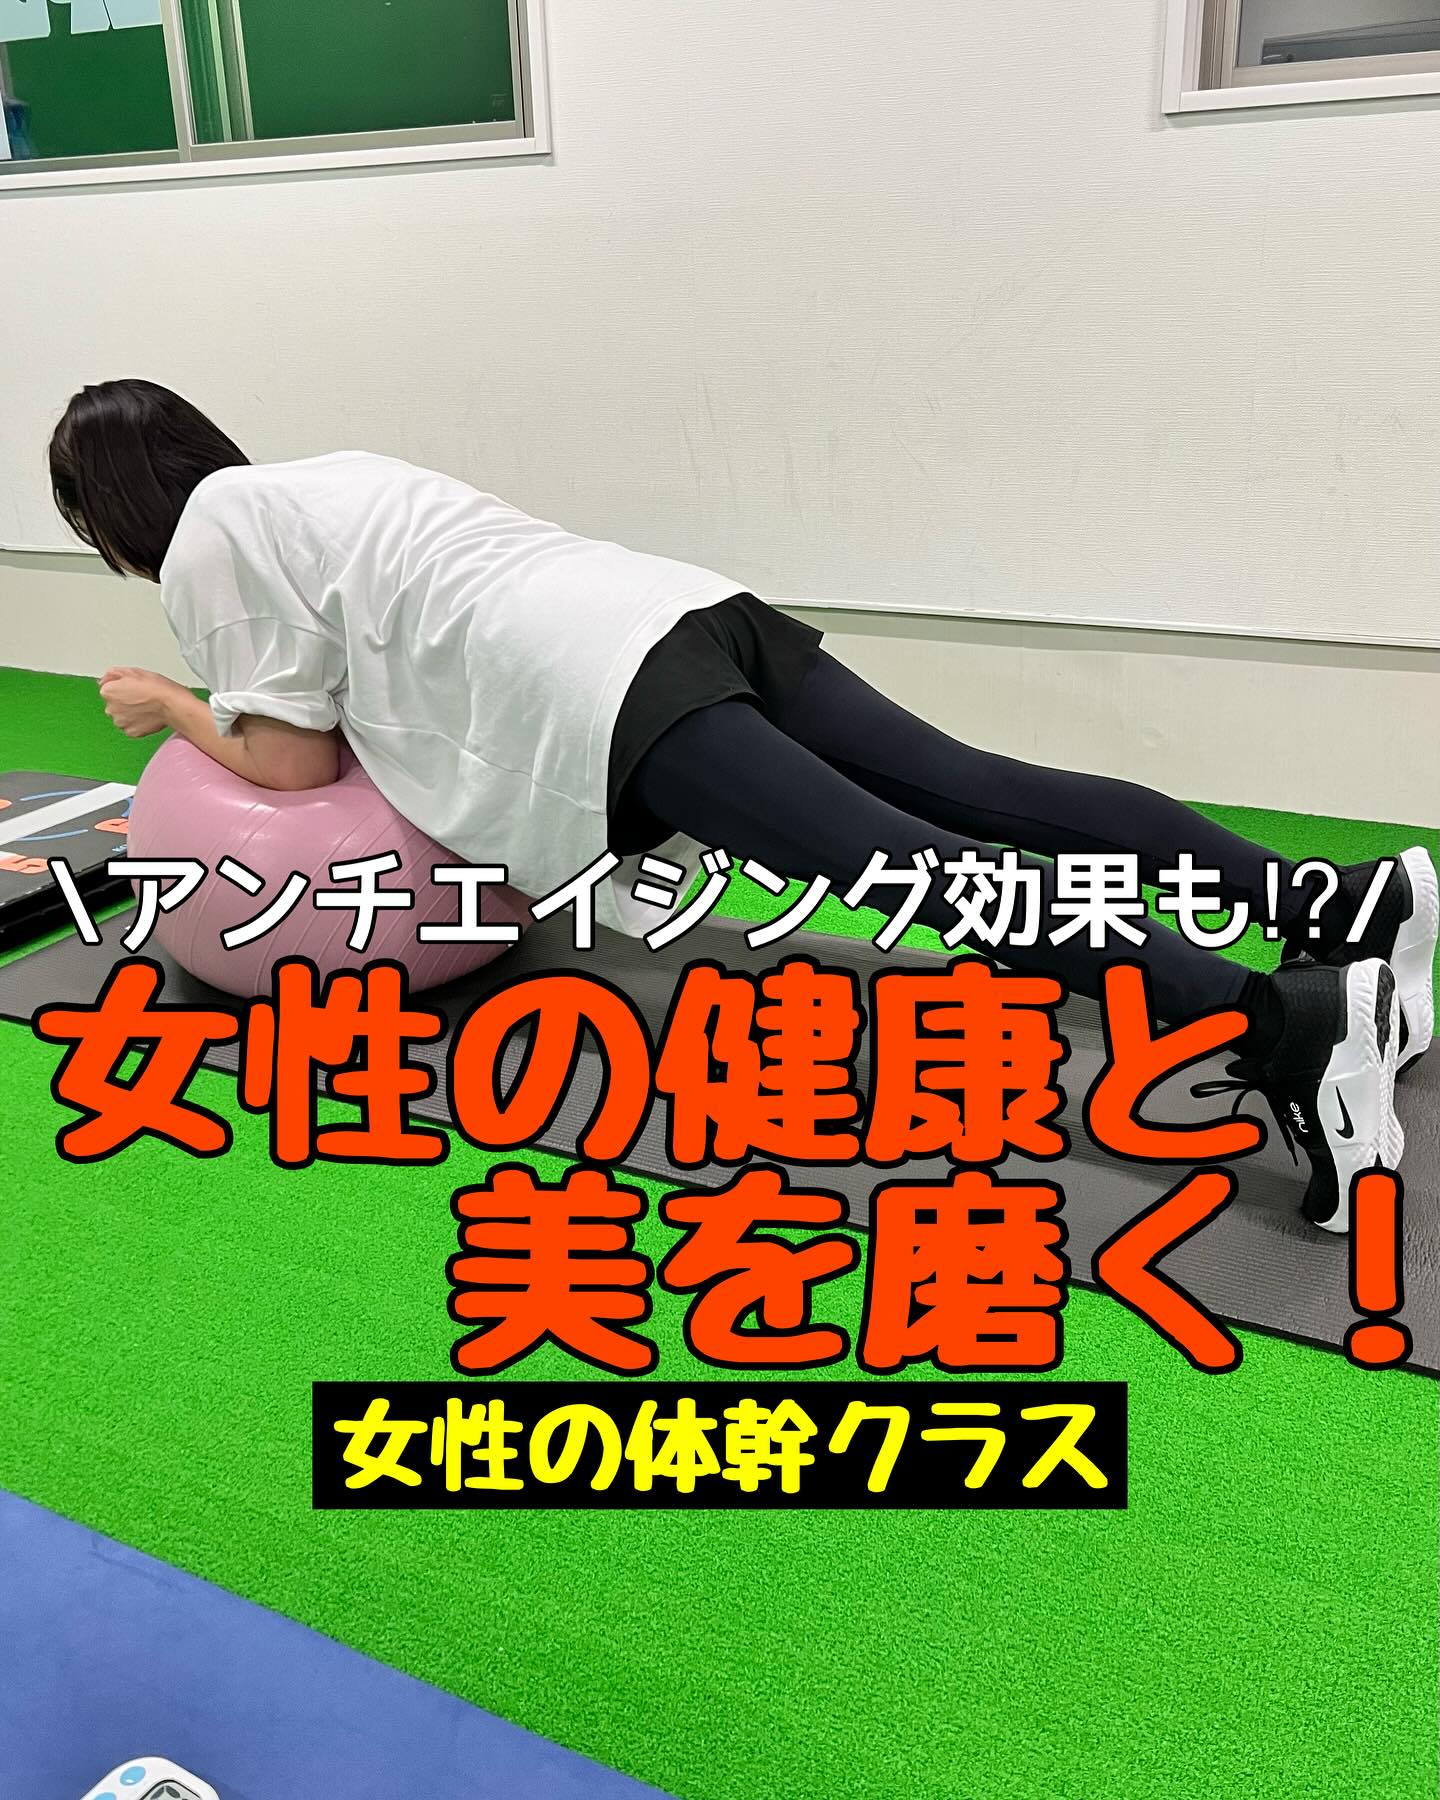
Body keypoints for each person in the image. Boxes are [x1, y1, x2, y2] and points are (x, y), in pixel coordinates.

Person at [49, 379, 1435, 1233]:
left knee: (925, 875)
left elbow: (287, 768)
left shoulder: (211, 543)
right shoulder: (321, 478)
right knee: (981, 792)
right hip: (688, 611)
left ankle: (1284, 1024)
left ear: (107, 512)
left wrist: (174, 706)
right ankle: (1330, 905)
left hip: (600, 686)